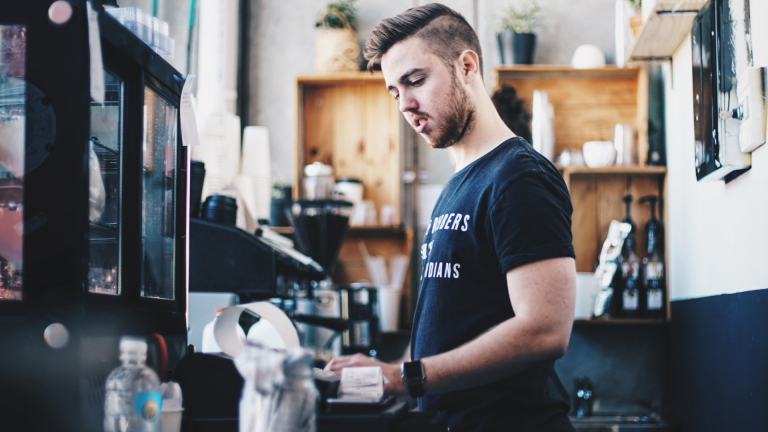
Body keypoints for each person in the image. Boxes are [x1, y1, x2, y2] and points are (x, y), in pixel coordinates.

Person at [324, 4, 577, 431]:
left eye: (415, 80)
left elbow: (545, 329)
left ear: (466, 66)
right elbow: (453, 326)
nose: (405, 104)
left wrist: (408, 378)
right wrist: (389, 371)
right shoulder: (460, 184)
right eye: (394, 91)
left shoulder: (518, 176)